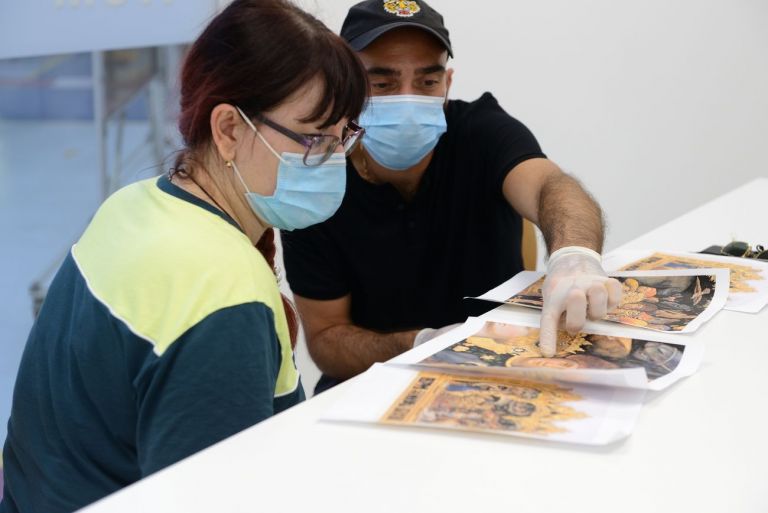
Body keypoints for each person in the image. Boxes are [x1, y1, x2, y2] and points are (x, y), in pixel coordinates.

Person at [0, 1, 367, 511]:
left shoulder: (133, 204)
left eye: (344, 136)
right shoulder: (223, 295)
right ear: (230, 130)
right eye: (313, 139)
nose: (332, 162)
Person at [282, 0, 621, 394]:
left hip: (506, 371)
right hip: (378, 384)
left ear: (447, 85)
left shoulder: (481, 132)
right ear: (345, 86)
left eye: (427, 82)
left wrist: (574, 256)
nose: (408, 99)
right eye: (382, 83)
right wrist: (421, 345)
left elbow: (552, 186)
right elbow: (326, 341)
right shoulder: (317, 179)